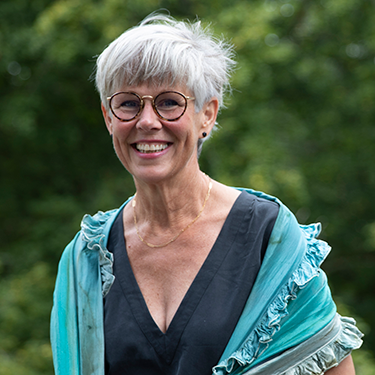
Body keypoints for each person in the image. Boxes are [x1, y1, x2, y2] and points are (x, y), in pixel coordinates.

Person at [50, 13, 363, 375]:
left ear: (207, 116)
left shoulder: (267, 236)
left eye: (169, 102)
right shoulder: (87, 260)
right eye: (128, 103)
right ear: (108, 117)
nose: (147, 121)